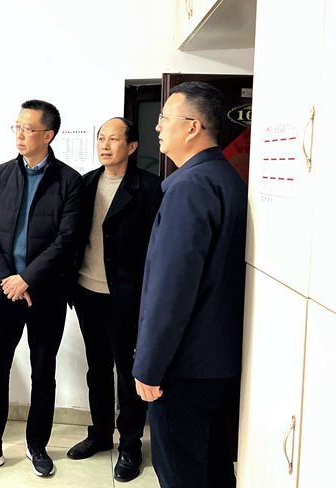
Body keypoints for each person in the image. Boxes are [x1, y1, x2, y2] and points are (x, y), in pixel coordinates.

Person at [133, 82, 247, 488]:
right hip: (216, 360)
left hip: (184, 365)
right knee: (214, 469)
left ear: (193, 126)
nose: (158, 127)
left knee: (181, 474)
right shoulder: (225, 177)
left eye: (165, 118)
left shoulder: (190, 187)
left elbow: (171, 291)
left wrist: (148, 366)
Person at [0, 99, 82, 479]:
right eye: (17, 127)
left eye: (28, 128)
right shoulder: (0, 176)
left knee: (43, 371)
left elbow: (67, 239)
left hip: (46, 293)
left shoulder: (69, 181)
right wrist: (5, 280)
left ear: (48, 135)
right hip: (4, 292)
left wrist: (26, 278)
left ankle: (36, 446)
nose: (20, 134)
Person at [67, 118, 161, 482]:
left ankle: (130, 445)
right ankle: (101, 434)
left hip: (126, 299)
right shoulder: (86, 183)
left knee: (128, 372)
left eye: (114, 139)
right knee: (97, 369)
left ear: (132, 146)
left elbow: (157, 250)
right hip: (87, 293)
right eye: (101, 139)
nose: (105, 145)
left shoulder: (150, 188)